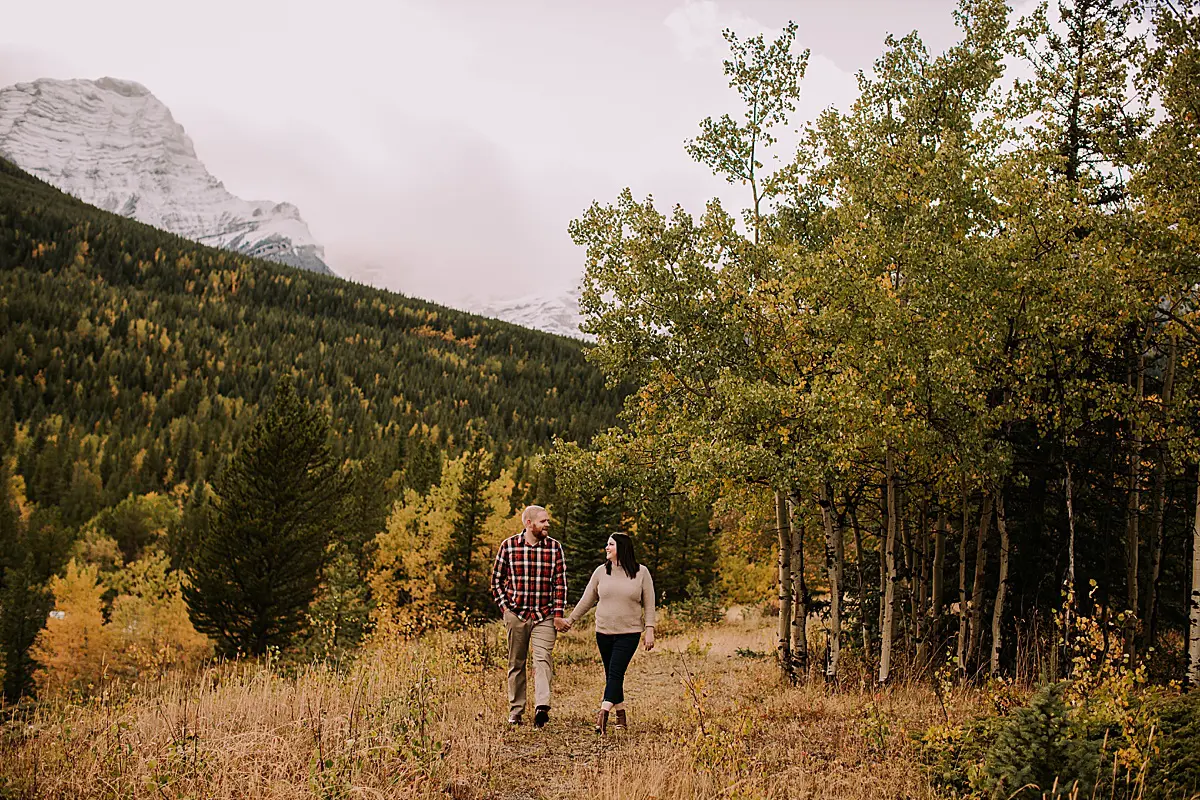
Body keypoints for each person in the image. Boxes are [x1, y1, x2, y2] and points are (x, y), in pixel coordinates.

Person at [564, 532, 655, 734]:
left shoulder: (641, 573)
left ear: (622, 548)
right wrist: (570, 620)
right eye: (607, 544)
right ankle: (621, 715)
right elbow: (587, 599)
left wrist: (650, 629)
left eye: (611, 544)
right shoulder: (600, 572)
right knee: (613, 675)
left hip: (629, 632)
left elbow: (649, 604)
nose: (607, 548)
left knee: (615, 673)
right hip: (603, 631)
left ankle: (603, 712)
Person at [490, 505, 569, 728]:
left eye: (547, 521)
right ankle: (516, 711)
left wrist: (557, 614)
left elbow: (560, 584)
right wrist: (506, 609)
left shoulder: (554, 548)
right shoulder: (509, 546)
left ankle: (541, 707)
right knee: (517, 662)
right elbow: (496, 581)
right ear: (529, 523)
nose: (547, 524)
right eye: (543, 521)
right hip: (517, 614)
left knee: (542, 658)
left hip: (544, 615)